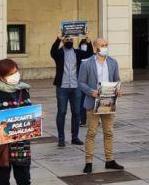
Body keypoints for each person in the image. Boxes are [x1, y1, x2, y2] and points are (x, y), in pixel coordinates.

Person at [79, 38, 125, 174]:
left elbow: (117, 79)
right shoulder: (86, 64)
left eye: (106, 45)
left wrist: (118, 90)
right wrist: (90, 91)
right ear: (95, 48)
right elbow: (81, 82)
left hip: (108, 102)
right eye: (102, 45)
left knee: (109, 132)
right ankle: (88, 162)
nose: (104, 47)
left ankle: (110, 160)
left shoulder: (113, 62)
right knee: (91, 132)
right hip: (93, 102)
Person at [50, 34, 92, 146]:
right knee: (61, 112)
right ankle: (61, 139)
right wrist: (58, 38)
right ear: (63, 41)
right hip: (62, 87)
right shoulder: (58, 53)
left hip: (76, 87)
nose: (69, 41)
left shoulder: (77, 52)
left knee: (77, 112)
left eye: (70, 39)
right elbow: (52, 51)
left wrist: (88, 41)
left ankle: (75, 137)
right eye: (67, 39)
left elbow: (89, 53)